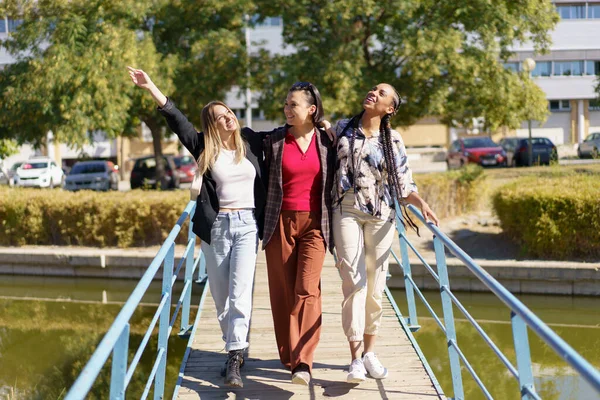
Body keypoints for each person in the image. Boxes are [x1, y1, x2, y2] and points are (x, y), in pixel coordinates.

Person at [127, 66, 267, 388]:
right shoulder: (205, 147)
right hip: (217, 228)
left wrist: (318, 129)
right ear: (212, 125)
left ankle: (233, 357)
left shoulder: (251, 142)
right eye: (219, 117)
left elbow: (281, 137)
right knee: (220, 297)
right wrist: (150, 87)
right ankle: (235, 343)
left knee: (240, 292)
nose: (227, 118)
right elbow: (176, 119)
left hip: (247, 225)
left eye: (228, 113)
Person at [324, 83, 439, 383]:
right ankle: (354, 359)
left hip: (381, 215)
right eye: (373, 89)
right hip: (346, 209)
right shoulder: (343, 127)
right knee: (353, 281)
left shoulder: (393, 139)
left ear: (390, 108)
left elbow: (403, 184)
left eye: (382, 93)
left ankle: (370, 353)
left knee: (375, 287)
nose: (373, 93)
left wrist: (421, 203)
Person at [262, 82, 335, 385]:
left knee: (308, 289)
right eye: (286, 105)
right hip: (279, 222)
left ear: (311, 109)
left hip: (315, 224)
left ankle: (303, 362)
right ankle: (289, 354)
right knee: (283, 292)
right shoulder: (274, 141)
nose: (287, 109)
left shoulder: (327, 140)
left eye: (293, 105)